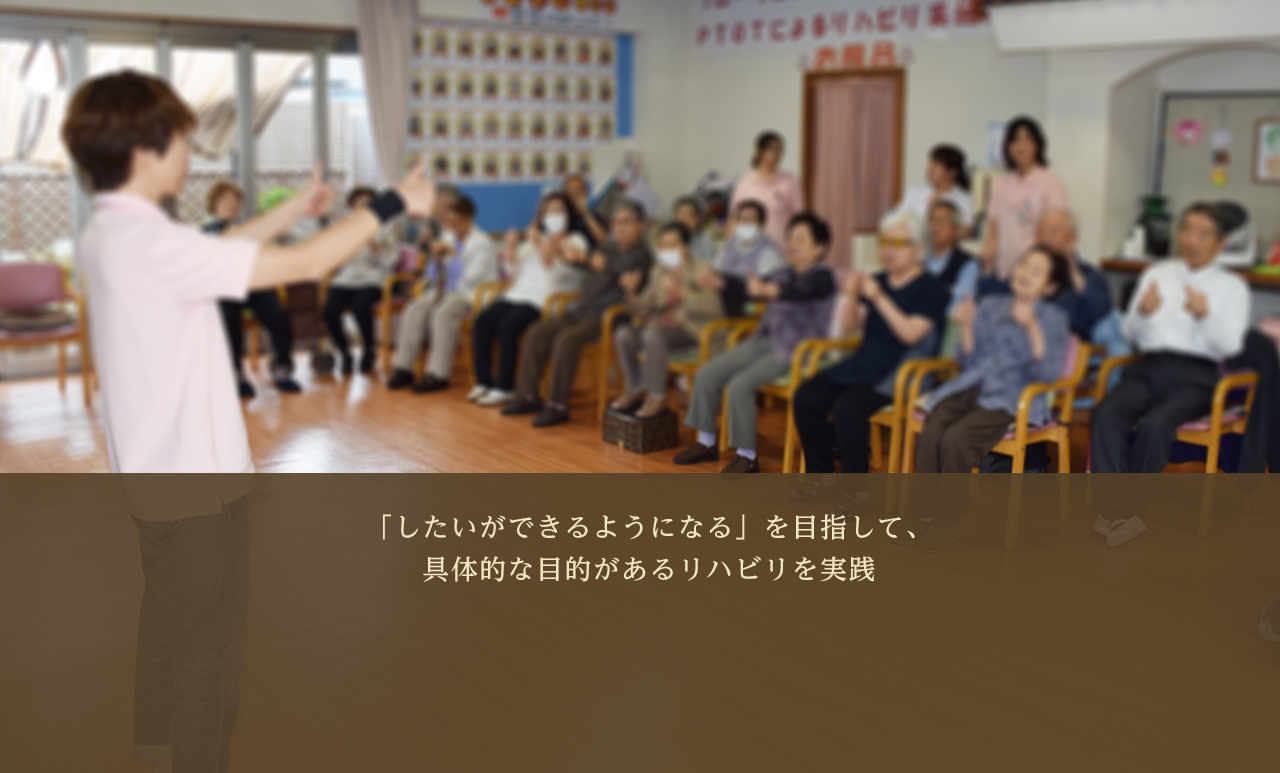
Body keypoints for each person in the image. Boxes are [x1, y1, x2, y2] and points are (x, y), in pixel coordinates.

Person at [63, 71, 434, 771]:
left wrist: (294, 206)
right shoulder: (155, 246)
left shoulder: (111, 233)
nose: (189, 151)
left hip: (152, 477)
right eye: (181, 138)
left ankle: (151, 751)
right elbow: (304, 263)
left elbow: (228, 246)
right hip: (195, 486)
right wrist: (392, 202)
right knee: (208, 651)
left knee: (166, 620)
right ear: (145, 148)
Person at [1090, 203, 1250, 545]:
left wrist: (1205, 315)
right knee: (1106, 414)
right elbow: (1131, 333)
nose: (1191, 240)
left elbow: (1231, 347)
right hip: (1150, 365)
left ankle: (1129, 514)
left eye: (1203, 234)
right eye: (1186, 230)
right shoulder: (1158, 273)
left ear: (1221, 242)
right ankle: (1120, 510)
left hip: (1197, 374)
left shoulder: (1231, 287)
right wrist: (1143, 313)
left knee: (1156, 425)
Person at [906, 246, 1072, 551]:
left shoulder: (1053, 318)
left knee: (956, 440)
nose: (1025, 273)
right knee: (931, 431)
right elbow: (967, 360)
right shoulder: (992, 304)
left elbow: (1048, 375)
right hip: (972, 385)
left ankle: (946, 523)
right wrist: (967, 327)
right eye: (1024, 264)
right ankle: (924, 514)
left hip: (1013, 396)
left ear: (1050, 287)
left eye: (1036, 271)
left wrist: (1032, 327)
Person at [790, 211, 948, 507]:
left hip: (903, 371)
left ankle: (857, 493)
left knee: (847, 407)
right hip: (865, 362)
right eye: (885, 241)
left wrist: (878, 298)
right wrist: (851, 297)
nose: (889, 248)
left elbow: (911, 335)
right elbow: (852, 325)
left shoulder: (931, 287)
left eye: (899, 243)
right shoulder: (878, 280)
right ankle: (822, 476)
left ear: (919, 250)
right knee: (806, 396)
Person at [674, 212, 837, 474]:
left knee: (739, 385)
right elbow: (750, 287)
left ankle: (747, 456)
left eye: (801, 239)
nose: (793, 243)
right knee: (706, 374)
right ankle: (706, 442)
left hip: (794, 350)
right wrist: (720, 283)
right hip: (763, 339)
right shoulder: (783, 273)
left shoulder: (823, 277)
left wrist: (769, 290)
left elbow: (801, 291)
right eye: (790, 237)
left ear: (820, 247)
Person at [502, 199, 654, 427]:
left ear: (641, 225)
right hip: (583, 310)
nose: (620, 227)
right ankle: (528, 395)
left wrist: (588, 259)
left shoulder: (642, 254)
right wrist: (566, 255)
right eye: (616, 222)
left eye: (626, 222)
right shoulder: (607, 248)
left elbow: (612, 266)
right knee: (537, 331)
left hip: (611, 315)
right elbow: (585, 263)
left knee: (566, 340)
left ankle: (557, 405)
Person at [468, 192, 589, 407]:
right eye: (548, 211)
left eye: (558, 210)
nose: (553, 215)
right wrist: (511, 248)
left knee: (508, 326)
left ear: (568, 214)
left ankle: (505, 387)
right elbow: (512, 269)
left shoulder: (575, 240)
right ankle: (484, 382)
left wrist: (545, 248)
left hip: (547, 299)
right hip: (518, 294)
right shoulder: (536, 238)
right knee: (482, 321)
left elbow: (559, 275)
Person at [386, 194, 499, 393]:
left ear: (468, 217)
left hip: (469, 294)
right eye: (449, 221)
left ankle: (437, 374)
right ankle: (404, 368)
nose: (452, 226)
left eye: (457, 221)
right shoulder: (447, 238)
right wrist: (436, 259)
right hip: (444, 289)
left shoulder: (483, 243)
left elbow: (468, 278)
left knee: (442, 314)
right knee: (413, 309)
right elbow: (432, 275)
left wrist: (453, 256)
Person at [611, 221, 724, 419]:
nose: (666, 250)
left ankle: (657, 396)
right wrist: (631, 293)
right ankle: (635, 388)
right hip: (663, 327)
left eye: (672, 244)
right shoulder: (659, 271)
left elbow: (713, 306)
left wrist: (681, 292)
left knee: (653, 334)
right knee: (624, 334)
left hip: (694, 330)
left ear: (686, 248)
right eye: (663, 245)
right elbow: (643, 307)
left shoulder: (702, 268)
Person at [203, 180, 301, 398]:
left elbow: (262, 254)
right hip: (225, 289)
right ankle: (237, 373)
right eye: (225, 199)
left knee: (279, 315)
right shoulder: (207, 232)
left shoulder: (248, 229)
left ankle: (283, 369)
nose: (232, 203)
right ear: (213, 204)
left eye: (235, 199)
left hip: (251, 285)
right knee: (229, 319)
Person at [981, 116, 1070, 281]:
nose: (1021, 145)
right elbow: (993, 230)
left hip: (1037, 275)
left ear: (1038, 144)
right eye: (1015, 140)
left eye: (1027, 139)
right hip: (1004, 272)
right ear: (1008, 147)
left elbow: (1058, 232)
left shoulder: (1051, 183)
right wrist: (987, 263)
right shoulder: (1000, 184)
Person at [323, 187, 401, 375]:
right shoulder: (345, 228)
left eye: (369, 204)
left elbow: (391, 262)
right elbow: (336, 258)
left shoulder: (385, 229)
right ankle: (345, 353)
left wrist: (375, 249)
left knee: (360, 306)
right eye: (360, 204)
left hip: (373, 279)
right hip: (346, 278)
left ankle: (368, 350)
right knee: (329, 310)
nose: (365, 208)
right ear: (352, 207)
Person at [702, 199, 786, 318]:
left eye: (750, 220)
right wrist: (709, 278)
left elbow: (765, 294)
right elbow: (716, 271)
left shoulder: (770, 253)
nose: (745, 224)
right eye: (741, 220)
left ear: (761, 225)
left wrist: (725, 285)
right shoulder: (730, 245)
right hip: (720, 301)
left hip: (751, 309)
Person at [729, 131, 804, 249]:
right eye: (771, 149)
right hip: (749, 248)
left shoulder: (789, 181)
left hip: (779, 248)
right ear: (759, 151)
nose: (775, 154)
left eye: (779, 150)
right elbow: (734, 219)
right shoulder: (744, 182)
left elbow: (798, 219)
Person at [895, 144, 975, 234]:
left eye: (937, 165)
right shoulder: (915, 192)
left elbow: (966, 231)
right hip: (912, 240)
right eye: (931, 163)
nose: (930, 169)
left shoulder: (965, 199)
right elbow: (898, 219)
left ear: (952, 172)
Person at [922, 199, 979, 313]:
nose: (934, 226)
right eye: (931, 220)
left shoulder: (967, 264)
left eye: (941, 220)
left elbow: (959, 307)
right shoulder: (918, 260)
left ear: (955, 228)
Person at [564, 173, 608, 247]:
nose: (574, 195)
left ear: (585, 192)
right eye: (570, 191)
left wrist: (585, 213)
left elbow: (603, 241)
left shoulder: (594, 216)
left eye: (577, 191)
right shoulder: (562, 215)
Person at [672, 195, 717, 263]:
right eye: (679, 214)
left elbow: (704, 265)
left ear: (697, 218)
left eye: (687, 215)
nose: (682, 219)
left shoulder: (705, 242)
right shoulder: (668, 239)